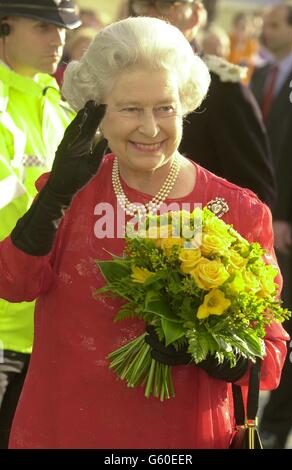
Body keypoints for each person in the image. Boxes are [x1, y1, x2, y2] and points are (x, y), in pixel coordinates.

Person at [0, 16, 288, 449]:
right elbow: (13, 283)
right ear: (96, 108)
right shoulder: (68, 193)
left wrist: (215, 352)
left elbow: (270, 357)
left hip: (184, 439)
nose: (150, 129)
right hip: (64, 429)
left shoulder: (238, 211)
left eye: (165, 107)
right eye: (130, 108)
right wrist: (55, 195)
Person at [0, 0, 81, 448]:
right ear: (4, 29)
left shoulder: (61, 107)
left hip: (50, 331)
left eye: (64, 28)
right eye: (43, 27)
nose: (59, 39)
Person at [127, 0, 276, 210]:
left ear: (195, 16)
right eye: (143, 6)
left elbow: (255, 195)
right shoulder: (123, 80)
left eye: (164, 6)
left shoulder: (222, 88)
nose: (151, 15)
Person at [250, 3, 292, 449]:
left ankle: (281, 421)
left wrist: (285, 213)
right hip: (262, 217)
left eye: (274, 25)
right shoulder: (260, 76)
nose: (265, 31)